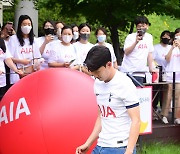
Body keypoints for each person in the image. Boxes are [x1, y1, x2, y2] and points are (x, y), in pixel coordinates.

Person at [76, 46, 140, 154]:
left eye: (98, 72)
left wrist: (129, 151)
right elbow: (102, 116)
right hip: (101, 145)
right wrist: (88, 143)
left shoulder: (124, 84)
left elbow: (136, 120)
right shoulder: (97, 83)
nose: (95, 76)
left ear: (109, 64)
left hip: (120, 148)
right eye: (93, 73)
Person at [120, 16, 154, 86]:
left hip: (141, 71)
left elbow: (149, 53)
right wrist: (136, 42)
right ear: (136, 27)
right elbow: (126, 52)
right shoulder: (130, 37)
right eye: (139, 26)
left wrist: (151, 68)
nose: (141, 28)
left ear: (147, 26)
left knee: (139, 93)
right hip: (129, 71)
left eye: (143, 25)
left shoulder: (149, 37)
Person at [8, 15, 41, 81]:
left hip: (31, 72)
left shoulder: (34, 40)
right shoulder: (13, 39)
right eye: (24, 24)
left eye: (29, 24)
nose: (27, 26)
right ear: (20, 26)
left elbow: (37, 57)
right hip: (17, 73)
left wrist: (36, 64)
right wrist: (22, 61)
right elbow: (9, 57)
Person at [161, 28, 180, 124]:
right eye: (176, 36)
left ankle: (177, 117)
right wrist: (173, 47)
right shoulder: (169, 47)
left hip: (178, 76)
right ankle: (164, 115)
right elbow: (167, 59)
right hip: (169, 74)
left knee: (177, 96)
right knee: (167, 95)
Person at [152, 30, 172, 120]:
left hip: (168, 73)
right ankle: (153, 110)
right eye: (164, 36)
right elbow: (152, 59)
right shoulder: (155, 48)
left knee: (165, 93)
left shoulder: (171, 48)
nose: (166, 38)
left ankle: (164, 113)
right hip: (157, 72)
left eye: (168, 37)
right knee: (155, 91)